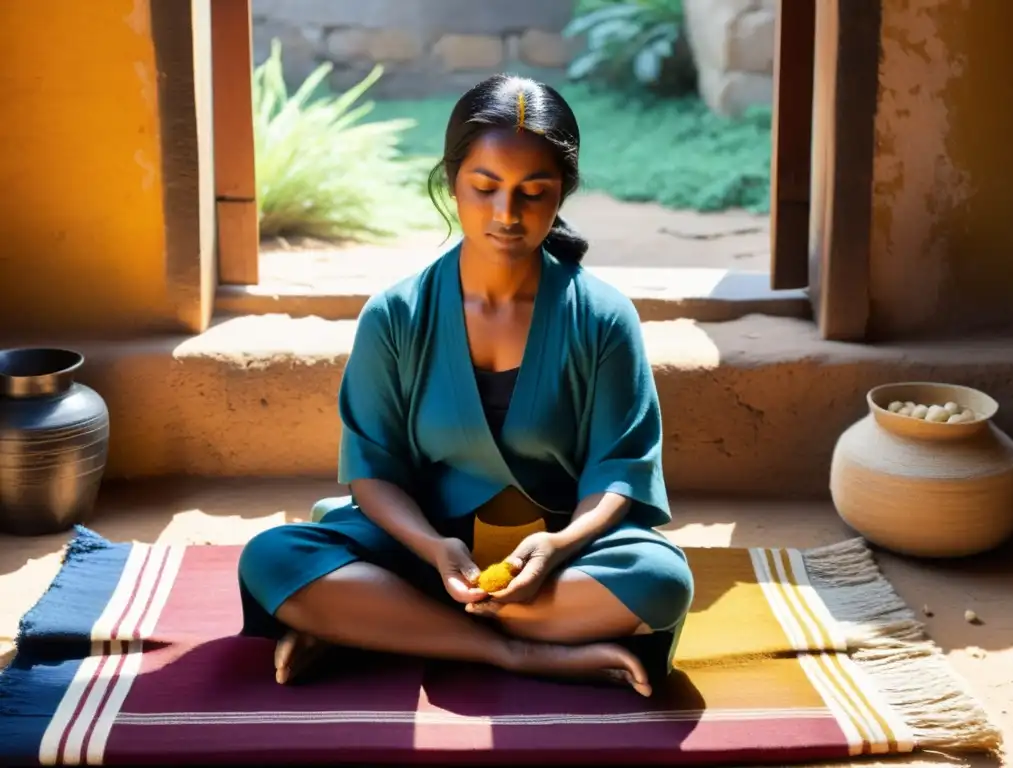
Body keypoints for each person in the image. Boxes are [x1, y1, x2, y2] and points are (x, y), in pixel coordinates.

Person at [237, 73, 695, 698]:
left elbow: (619, 471)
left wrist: (558, 545)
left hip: (555, 561)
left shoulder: (602, 317)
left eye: (534, 192)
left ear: (563, 193)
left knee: (660, 579)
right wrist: (432, 548)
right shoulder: (396, 315)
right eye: (485, 188)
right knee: (273, 557)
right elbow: (373, 470)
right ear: (452, 182)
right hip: (423, 551)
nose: (507, 215)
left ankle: (381, 624)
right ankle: (510, 650)